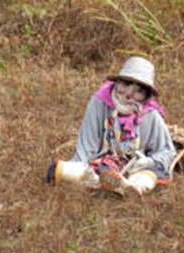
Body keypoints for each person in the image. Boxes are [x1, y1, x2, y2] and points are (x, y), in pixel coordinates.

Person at [46, 57, 175, 197]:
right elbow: (87, 143)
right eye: (125, 84)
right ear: (117, 82)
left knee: (151, 174)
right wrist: (81, 165)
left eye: (138, 91)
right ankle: (97, 181)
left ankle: (133, 188)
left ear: (146, 96)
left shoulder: (151, 115)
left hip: (136, 167)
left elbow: (166, 151)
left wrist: (148, 161)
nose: (128, 94)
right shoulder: (99, 102)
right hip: (104, 162)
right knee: (58, 170)